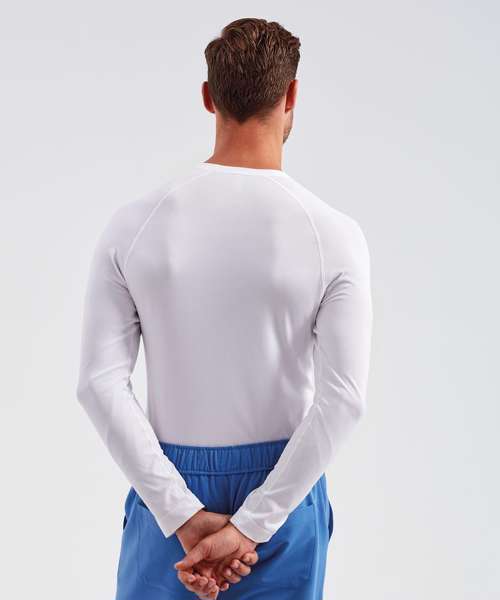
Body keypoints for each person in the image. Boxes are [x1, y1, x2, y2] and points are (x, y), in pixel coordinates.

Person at [76, 17, 373, 600]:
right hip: (285, 492)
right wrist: (253, 524)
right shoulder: (332, 235)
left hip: (164, 487)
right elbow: (343, 400)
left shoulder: (135, 226)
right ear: (291, 96)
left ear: (209, 97)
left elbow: (98, 382)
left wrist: (182, 513)